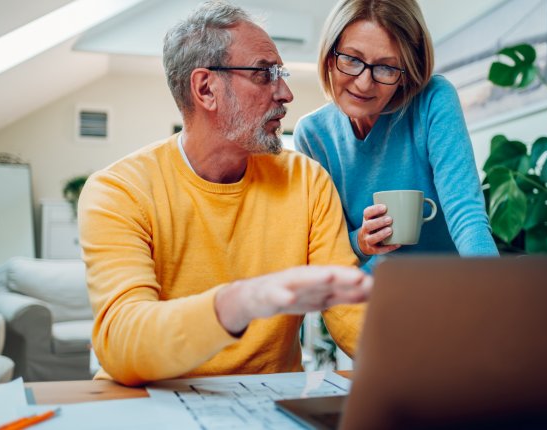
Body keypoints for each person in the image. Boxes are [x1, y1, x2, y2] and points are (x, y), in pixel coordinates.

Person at [77, 0, 370, 387]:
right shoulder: (119, 191)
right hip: (151, 403)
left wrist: (434, 357)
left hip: (268, 406)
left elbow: (349, 318)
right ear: (206, 89)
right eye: (265, 74)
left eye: (280, 74)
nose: (285, 93)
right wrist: (240, 301)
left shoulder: (307, 181)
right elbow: (123, 342)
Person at [294, 0, 498, 271]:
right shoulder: (312, 135)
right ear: (330, 58)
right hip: (365, 299)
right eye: (352, 59)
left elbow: (467, 215)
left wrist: (497, 288)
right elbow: (325, 247)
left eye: (386, 68)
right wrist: (361, 242)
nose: (364, 83)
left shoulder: (432, 100)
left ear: (406, 73)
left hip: (446, 288)